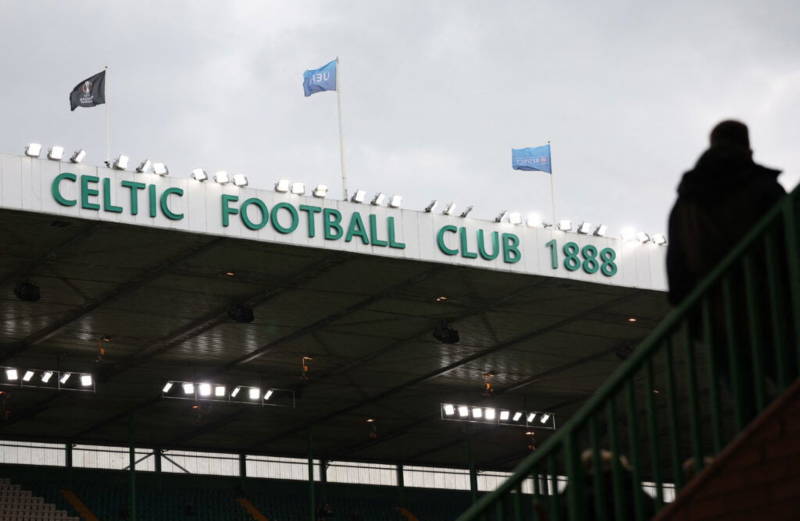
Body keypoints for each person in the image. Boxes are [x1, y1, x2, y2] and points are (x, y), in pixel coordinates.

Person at [667, 120, 788, 420]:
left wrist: (694, 315)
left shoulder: (686, 202)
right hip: (769, 304)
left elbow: (677, 267)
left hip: (718, 316)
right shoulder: (762, 186)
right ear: (747, 146)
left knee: (750, 407)